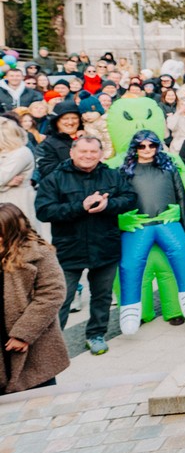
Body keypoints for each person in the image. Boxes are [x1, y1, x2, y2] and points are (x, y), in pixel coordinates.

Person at [35, 135, 138, 356]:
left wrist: (109, 205)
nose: (88, 156)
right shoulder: (55, 178)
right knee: (60, 298)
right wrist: (79, 207)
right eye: (83, 151)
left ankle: (96, 334)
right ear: (72, 153)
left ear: (101, 154)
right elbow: (43, 210)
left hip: (105, 246)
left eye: (93, 152)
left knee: (102, 295)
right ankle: (51, 344)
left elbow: (130, 198)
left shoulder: (111, 174)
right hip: (68, 248)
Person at [114, 130, 185, 334]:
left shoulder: (168, 167)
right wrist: (120, 220)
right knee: (130, 265)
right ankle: (133, 312)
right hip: (139, 225)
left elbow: (180, 193)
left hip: (166, 222)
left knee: (182, 256)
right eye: (142, 146)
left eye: (151, 145)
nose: (147, 150)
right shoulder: (124, 171)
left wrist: (183, 221)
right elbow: (115, 196)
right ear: (135, 147)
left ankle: (183, 303)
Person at [0, 203, 70, 394]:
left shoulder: (39, 254)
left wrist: (24, 334)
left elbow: (52, 294)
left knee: (39, 402)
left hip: (32, 345)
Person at [0, 117, 36, 224]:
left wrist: (3, 184)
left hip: (16, 201)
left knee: (17, 235)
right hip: (5, 198)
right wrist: (6, 184)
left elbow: (1, 177)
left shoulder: (21, 153)